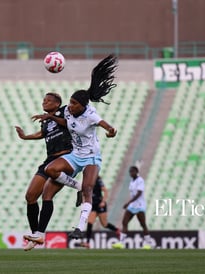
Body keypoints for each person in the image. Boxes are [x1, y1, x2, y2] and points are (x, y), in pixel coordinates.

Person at [24, 54, 118, 246]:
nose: (70, 106)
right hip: (75, 155)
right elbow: (65, 122)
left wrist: (111, 131)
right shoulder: (68, 111)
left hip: (91, 157)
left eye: (74, 104)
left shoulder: (91, 115)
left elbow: (104, 125)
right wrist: (50, 118)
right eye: (70, 102)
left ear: (83, 106)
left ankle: (80, 229)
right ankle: (40, 234)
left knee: (89, 189)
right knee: (49, 179)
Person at [15, 92, 81, 251]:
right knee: (30, 196)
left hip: (66, 158)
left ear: (57, 104)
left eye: (48, 100)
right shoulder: (45, 121)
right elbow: (42, 134)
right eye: (43, 99)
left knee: (47, 195)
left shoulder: (65, 111)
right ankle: (36, 234)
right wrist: (25, 137)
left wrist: (50, 117)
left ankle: (80, 186)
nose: (44, 102)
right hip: (49, 160)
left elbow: (69, 124)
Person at [112, 166, 155, 249]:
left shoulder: (140, 180)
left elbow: (139, 194)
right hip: (132, 205)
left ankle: (149, 243)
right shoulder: (132, 181)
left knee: (143, 224)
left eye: (132, 172)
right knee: (124, 222)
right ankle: (121, 243)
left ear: (136, 171)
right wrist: (130, 203)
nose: (131, 173)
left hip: (139, 205)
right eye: (130, 172)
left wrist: (128, 202)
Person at [80, 176, 120, 248]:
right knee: (90, 222)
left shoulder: (97, 180)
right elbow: (84, 193)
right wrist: (84, 203)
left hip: (100, 204)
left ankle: (117, 230)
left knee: (104, 224)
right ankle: (87, 242)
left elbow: (105, 191)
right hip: (92, 204)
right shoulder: (86, 180)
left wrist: (103, 202)